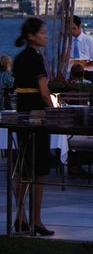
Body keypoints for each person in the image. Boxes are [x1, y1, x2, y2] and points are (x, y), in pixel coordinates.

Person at [12, 17, 55, 236]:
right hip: (37, 117)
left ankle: (20, 215)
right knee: (38, 171)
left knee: (22, 168)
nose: (45, 35)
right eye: (42, 32)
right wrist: (54, 111)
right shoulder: (37, 59)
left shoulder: (19, 59)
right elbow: (44, 92)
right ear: (32, 35)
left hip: (22, 115)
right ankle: (36, 219)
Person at [69, 15, 93, 82]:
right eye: (70, 28)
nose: (72, 31)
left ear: (79, 26)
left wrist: (84, 64)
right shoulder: (67, 42)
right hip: (73, 73)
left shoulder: (89, 41)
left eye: (74, 28)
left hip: (87, 72)